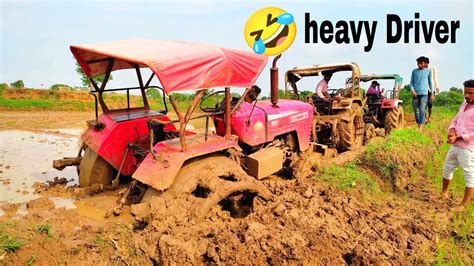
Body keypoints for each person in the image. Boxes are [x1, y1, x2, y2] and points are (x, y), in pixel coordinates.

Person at [441, 79, 474, 211]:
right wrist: (451, 131)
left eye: (471, 93)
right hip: (455, 145)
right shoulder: (463, 104)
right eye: (465, 92)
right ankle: (444, 193)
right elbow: (455, 120)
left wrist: (459, 137)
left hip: (468, 148)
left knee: (469, 174)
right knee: (447, 168)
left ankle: (464, 204)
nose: (467, 96)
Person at [410, 56, 433, 128]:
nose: (419, 64)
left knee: (422, 110)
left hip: (424, 94)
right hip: (415, 94)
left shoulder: (428, 71)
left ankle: (421, 126)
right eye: (418, 63)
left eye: (420, 63)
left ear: (424, 63)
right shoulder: (414, 71)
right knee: (416, 111)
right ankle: (418, 124)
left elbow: (430, 83)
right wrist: (412, 90)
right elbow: (411, 83)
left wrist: (432, 93)